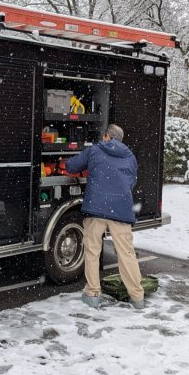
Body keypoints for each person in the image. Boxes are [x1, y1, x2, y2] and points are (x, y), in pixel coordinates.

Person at [65, 124, 144, 310]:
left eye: (104, 136)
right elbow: (132, 181)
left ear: (107, 136)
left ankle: (92, 294)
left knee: (92, 251)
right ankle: (137, 297)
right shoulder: (130, 156)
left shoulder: (94, 151)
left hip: (97, 208)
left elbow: (71, 166)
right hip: (122, 210)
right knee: (126, 254)